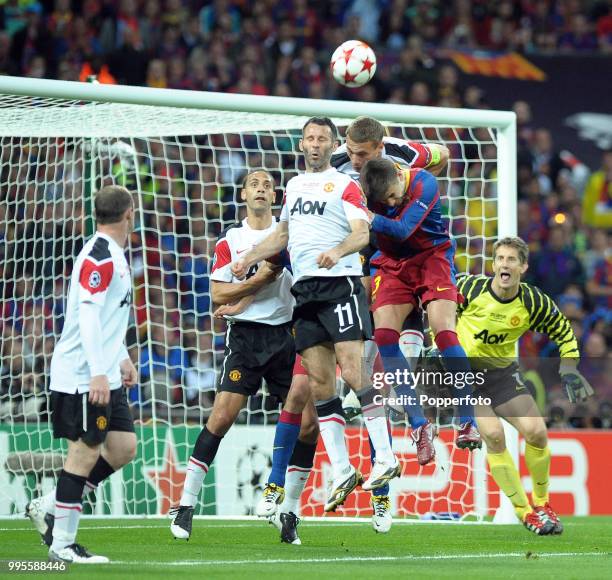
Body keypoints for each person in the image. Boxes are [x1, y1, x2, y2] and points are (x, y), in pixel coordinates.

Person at [233, 117, 400, 518]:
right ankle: (342, 468)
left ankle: (386, 458)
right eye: (309, 138)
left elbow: (362, 233)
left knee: (354, 374)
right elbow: (283, 235)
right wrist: (248, 258)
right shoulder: (291, 186)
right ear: (302, 144)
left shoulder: (346, 185)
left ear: (332, 145)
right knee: (322, 386)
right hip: (304, 293)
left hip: (338, 286)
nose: (315, 144)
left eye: (322, 138)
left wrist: (338, 252)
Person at [170, 170, 318, 545]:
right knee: (221, 417)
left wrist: (249, 289)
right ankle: (186, 504)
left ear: (275, 196)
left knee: (309, 425)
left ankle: (290, 512)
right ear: (243, 194)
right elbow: (218, 296)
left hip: (287, 335)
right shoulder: (231, 241)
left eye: (268, 185)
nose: (262, 189)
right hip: (246, 338)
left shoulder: (289, 234)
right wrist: (256, 284)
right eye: (255, 184)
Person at [332, 116, 450, 532]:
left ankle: (404, 388)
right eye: (350, 152)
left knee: (400, 349)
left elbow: (443, 155)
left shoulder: (406, 154)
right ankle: (367, 385)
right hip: (374, 254)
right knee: (374, 337)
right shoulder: (336, 164)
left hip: (418, 251)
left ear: (381, 148)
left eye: (361, 155)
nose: (353, 160)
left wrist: (412, 189)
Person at [25, 185, 138, 564]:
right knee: (84, 451)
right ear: (129, 215)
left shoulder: (115, 255)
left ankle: (54, 508)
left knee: (122, 447)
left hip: (105, 371)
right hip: (83, 374)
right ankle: (62, 543)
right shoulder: (100, 256)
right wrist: (96, 373)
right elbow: (88, 315)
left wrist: (120, 357)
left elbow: (107, 315)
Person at [456, 236, 593, 535]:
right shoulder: (468, 288)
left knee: (537, 432)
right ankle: (524, 512)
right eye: (500, 259)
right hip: (465, 377)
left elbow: (563, 330)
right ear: (493, 265)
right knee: (492, 435)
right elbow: (437, 313)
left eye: (511, 260)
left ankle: (542, 504)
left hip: (503, 375)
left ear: (523, 266)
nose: (504, 264)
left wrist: (568, 367)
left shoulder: (532, 301)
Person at [360, 158, 482, 461]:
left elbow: (402, 229)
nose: (392, 201)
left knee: (444, 332)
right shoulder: (366, 195)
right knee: (385, 338)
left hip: (433, 258)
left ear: (399, 175)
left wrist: (369, 216)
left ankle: (467, 420)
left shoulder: (423, 182)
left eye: (393, 193)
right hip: (392, 266)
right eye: (385, 200)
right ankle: (419, 425)